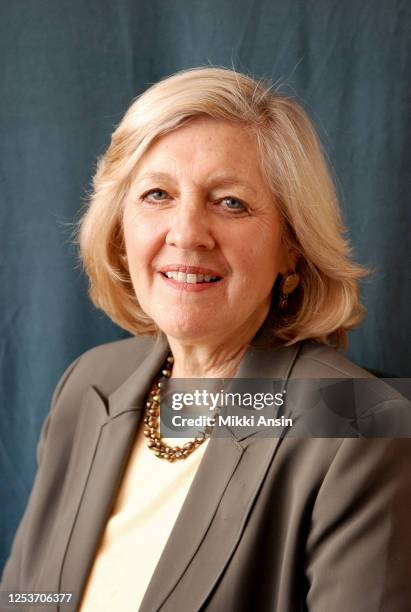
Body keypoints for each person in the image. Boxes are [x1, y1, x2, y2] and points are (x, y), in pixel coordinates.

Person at [1, 67, 410, 612]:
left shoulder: (361, 427)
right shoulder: (89, 384)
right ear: (121, 230)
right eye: (157, 194)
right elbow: (27, 596)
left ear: (292, 246)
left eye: (230, 202)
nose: (187, 232)